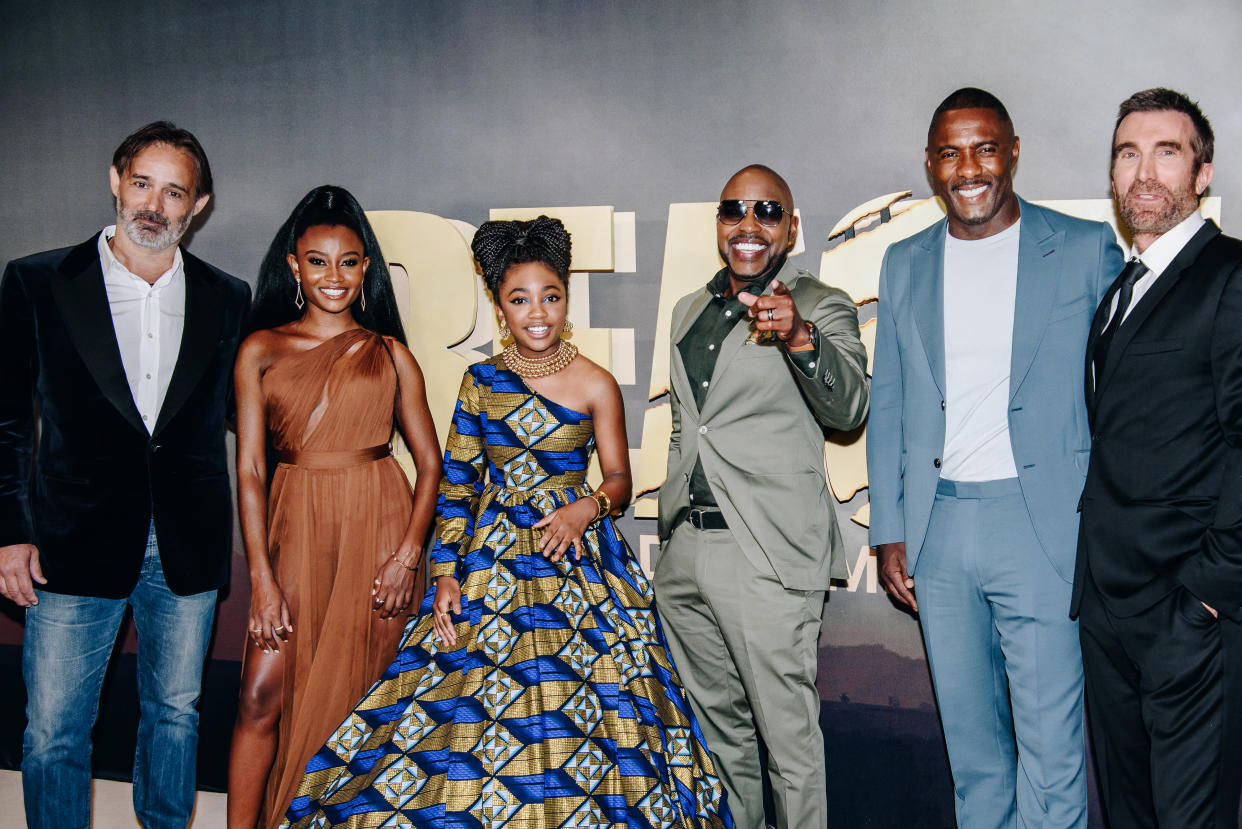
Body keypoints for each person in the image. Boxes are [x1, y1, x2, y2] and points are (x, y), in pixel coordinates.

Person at [281, 216, 731, 828]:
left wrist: (586, 507)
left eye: (551, 297)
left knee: (600, 708)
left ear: (566, 300)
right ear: (499, 308)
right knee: (466, 710)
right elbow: (460, 486)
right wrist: (444, 575)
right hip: (490, 566)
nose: (538, 313)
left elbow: (621, 482)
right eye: (519, 300)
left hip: (577, 563)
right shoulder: (481, 382)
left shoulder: (597, 383)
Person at [867, 87, 1123, 828]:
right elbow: (890, 405)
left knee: (1051, 751)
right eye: (950, 152)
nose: (968, 167)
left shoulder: (1080, 248)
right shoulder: (904, 262)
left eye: (985, 147)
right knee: (975, 756)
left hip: (1043, 524)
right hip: (939, 532)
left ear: (1013, 152)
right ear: (929, 164)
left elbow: (1130, 390)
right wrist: (890, 526)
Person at [0, 122, 250, 828]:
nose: (154, 204)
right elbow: (8, 423)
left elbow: (250, 415)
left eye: (175, 192)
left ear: (197, 207)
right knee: (53, 729)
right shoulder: (38, 280)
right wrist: (9, 533)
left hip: (187, 544)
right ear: (115, 181)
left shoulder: (226, 297)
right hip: (68, 545)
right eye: (142, 183)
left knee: (175, 715)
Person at [655, 165, 869, 829]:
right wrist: (669, 527)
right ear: (719, 223)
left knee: (789, 742)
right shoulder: (688, 309)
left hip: (766, 552)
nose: (749, 224)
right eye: (735, 210)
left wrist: (801, 336)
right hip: (686, 548)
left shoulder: (820, 301)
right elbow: (690, 427)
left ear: (791, 227)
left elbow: (851, 406)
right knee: (719, 740)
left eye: (768, 211)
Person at [225, 185, 443, 829]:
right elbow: (250, 469)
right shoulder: (260, 350)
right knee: (260, 695)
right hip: (293, 532)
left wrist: (408, 556)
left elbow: (430, 464)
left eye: (348, 261)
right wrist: (261, 577)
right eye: (317, 261)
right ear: (294, 266)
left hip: (378, 533)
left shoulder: (391, 355)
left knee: (364, 702)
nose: (333, 276)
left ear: (366, 269)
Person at [1074, 88, 1242, 828]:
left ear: (1202, 175)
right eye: (1127, 153)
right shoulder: (1120, 290)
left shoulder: (1232, 276)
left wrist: (1205, 594)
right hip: (1108, 615)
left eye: (1166, 152)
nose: (1144, 171)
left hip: (1187, 614)